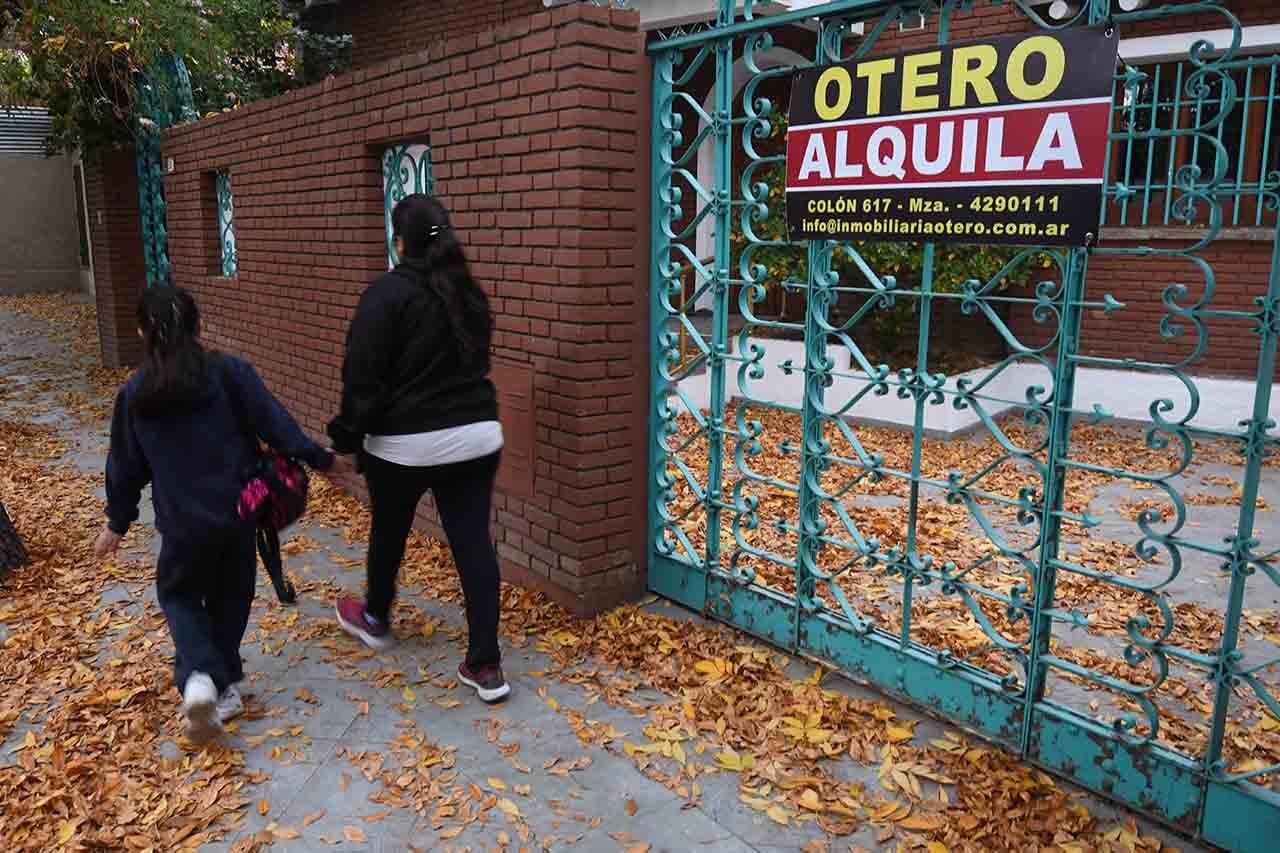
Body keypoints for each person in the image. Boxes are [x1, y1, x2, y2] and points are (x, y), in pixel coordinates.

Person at [94, 286, 334, 743]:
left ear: (142, 332)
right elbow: (276, 424)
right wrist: (321, 459)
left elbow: (124, 466)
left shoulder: (136, 393)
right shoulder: (229, 374)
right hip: (239, 513)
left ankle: (203, 679)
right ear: (197, 326)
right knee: (232, 596)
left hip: (182, 524)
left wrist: (116, 522)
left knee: (182, 598)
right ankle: (223, 681)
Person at [328, 193, 509, 704]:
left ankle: (376, 617)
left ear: (399, 240)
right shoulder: (469, 294)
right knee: (472, 541)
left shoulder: (386, 296)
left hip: (404, 444)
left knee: (389, 530)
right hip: (477, 435)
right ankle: (486, 664)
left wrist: (346, 437)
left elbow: (361, 378)